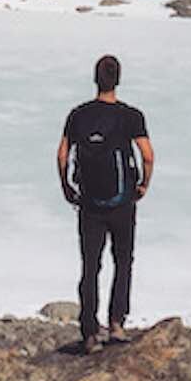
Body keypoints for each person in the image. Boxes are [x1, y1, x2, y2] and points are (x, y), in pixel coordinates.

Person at [56, 53, 154, 354]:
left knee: (90, 265)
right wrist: (143, 185)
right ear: (118, 79)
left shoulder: (78, 115)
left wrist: (66, 186)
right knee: (123, 261)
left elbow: (62, 154)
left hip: (89, 203)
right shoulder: (131, 116)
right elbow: (147, 155)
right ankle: (116, 323)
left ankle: (89, 331)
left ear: (95, 79)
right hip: (122, 202)